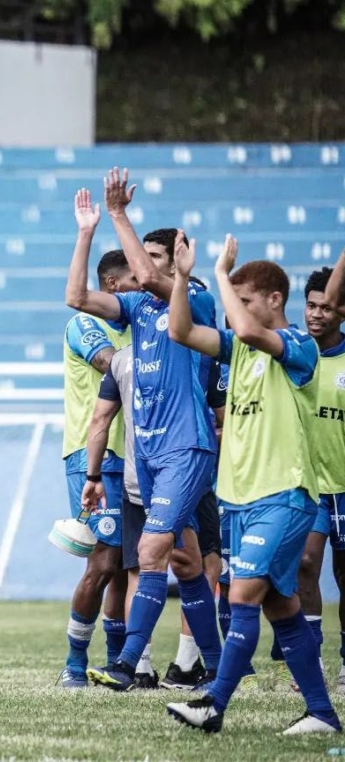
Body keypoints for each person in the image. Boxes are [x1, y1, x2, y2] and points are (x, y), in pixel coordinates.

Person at [165, 235, 339, 735]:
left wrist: (220, 273)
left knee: (241, 597)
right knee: (280, 608)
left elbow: (244, 328)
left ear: (273, 300)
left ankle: (214, 703)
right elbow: (180, 330)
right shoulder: (240, 349)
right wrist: (181, 277)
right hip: (239, 499)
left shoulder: (301, 348)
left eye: (244, 300)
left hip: (283, 494)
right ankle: (323, 715)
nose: (235, 312)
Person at [65, 169, 223, 691]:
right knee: (184, 557)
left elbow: (157, 280)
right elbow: (77, 298)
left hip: (186, 447)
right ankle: (219, 666)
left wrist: (117, 215)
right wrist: (88, 232)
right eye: (142, 259)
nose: (141, 269)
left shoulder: (194, 299)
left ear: (175, 262)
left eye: (153, 259)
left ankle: (127, 662)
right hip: (148, 452)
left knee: (152, 553)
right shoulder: (134, 310)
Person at [55, 191, 134, 688]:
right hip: (92, 455)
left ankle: (117, 661)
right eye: (131, 282)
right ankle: (74, 664)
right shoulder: (86, 324)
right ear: (111, 283)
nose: (139, 289)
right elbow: (110, 365)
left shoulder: (133, 326)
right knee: (103, 560)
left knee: (124, 564)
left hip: (133, 454)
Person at [297, 265, 345, 684]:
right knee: (306, 564)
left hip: (344, 487)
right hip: (308, 487)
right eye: (310, 305)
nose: (315, 314)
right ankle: (309, 660)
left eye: (326, 307)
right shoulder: (296, 356)